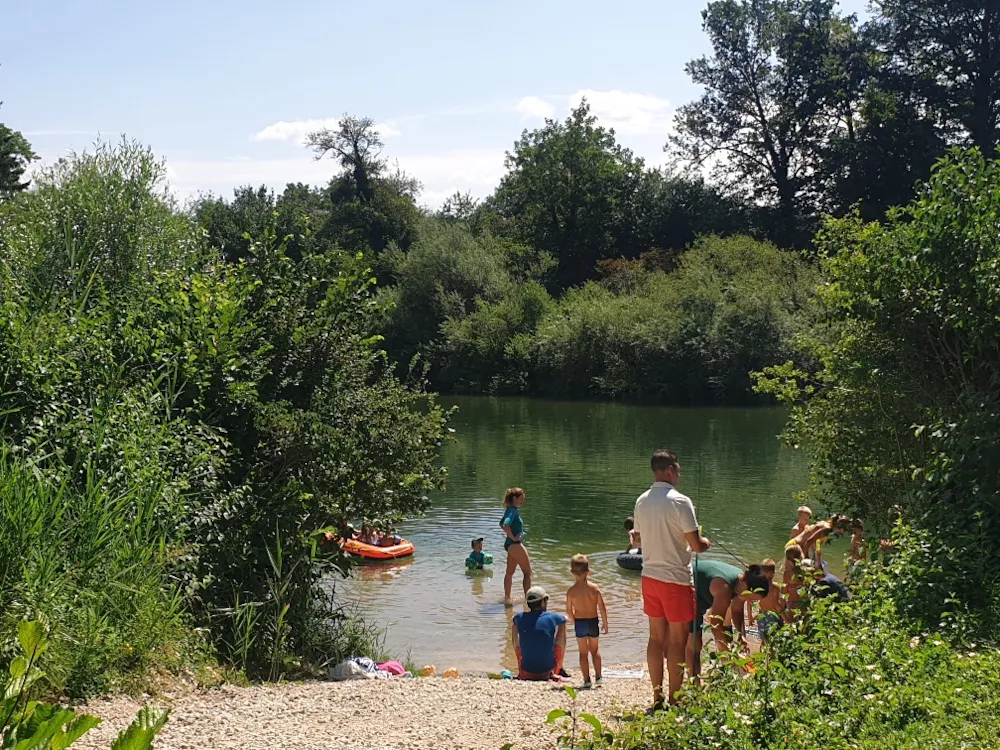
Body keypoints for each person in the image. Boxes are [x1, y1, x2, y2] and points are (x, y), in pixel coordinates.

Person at [633, 449, 711, 710]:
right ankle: (676, 699)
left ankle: (657, 697)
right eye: (677, 469)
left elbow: (639, 539)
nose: (679, 473)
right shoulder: (681, 502)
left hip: (649, 578)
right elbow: (696, 545)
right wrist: (705, 542)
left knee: (656, 638)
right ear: (668, 470)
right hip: (676, 580)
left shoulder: (642, 501)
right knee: (677, 641)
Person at [690, 560, 770, 678]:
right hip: (687, 589)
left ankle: (725, 673)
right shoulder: (725, 588)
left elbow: (737, 611)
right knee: (694, 645)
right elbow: (715, 626)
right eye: (751, 598)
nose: (750, 602)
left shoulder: (740, 584)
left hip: (701, 598)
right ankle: (693, 684)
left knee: (725, 638)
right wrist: (731, 653)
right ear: (745, 586)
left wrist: (741, 635)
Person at [566, 554, 609, 688]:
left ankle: (586, 680)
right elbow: (602, 607)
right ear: (588, 572)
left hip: (580, 622)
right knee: (595, 650)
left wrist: (574, 621)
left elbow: (568, 610)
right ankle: (599, 677)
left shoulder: (571, 592)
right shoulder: (594, 588)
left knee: (583, 653)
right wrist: (605, 622)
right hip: (592, 621)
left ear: (572, 572)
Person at [511, 586, 567, 680]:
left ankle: (520, 662)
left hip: (525, 672)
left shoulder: (520, 617)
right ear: (543, 602)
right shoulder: (552, 617)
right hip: (549, 672)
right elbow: (563, 619)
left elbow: (514, 619)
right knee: (562, 625)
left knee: (514, 626)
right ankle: (559, 667)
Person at [500, 487, 532, 607]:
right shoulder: (512, 511)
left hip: (509, 546)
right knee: (528, 573)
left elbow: (501, 523)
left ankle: (507, 599)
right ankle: (529, 601)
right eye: (521, 499)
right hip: (515, 545)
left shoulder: (509, 509)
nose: (522, 502)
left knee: (509, 573)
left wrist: (511, 536)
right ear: (514, 498)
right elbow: (505, 524)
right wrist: (514, 537)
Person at [755, 559, 784, 641]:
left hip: (767, 615)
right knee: (768, 639)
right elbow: (777, 604)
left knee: (767, 639)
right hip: (767, 615)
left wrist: (750, 617)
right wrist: (785, 618)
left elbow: (777, 602)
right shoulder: (774, 587)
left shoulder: (773, 587)